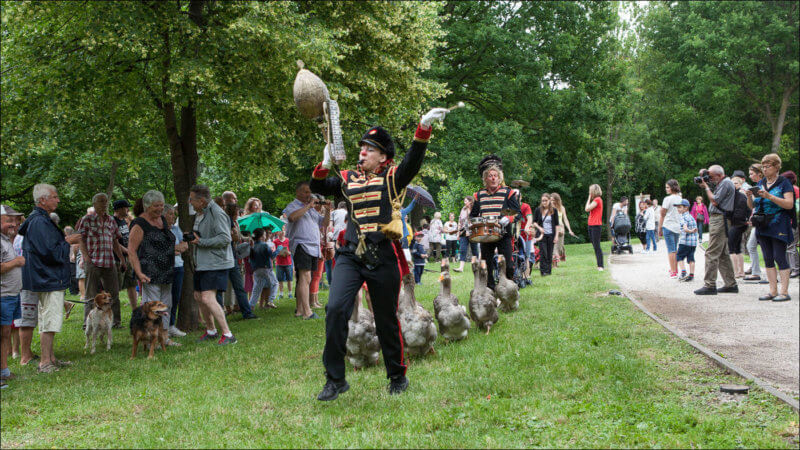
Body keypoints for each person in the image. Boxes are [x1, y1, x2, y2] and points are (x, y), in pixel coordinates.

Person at [310, 107, 450, 401]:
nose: (362, 152)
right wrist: (323, 164)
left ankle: (397, 375)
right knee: (335, 309)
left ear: (383, 156)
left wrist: (423, 129)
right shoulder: (347, 178)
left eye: (369, 149)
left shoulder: (393, 178)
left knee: (386, 318)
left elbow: (413, 162)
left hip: (383, 253)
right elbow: (318, 186)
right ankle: (335, 379)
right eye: (361, 147)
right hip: (350, 254)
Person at [18, 184, 81, 373]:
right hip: (47, 277)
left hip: (44, 276)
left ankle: (51, 358)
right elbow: (49, 252)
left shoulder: (39, 220)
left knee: (48, 320)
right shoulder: (39, 222)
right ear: (42, 200)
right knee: (50, 320)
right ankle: (45, 362)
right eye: (54, 197)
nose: (58, 200)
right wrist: (67, 242)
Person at [127, 190, 180, 346]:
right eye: (156, 206)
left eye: (161, 206)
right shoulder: (139, 224)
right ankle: (150, 340)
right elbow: (131, 250)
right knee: (152, 310)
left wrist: (178, 248)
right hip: (149, 272)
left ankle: (164, 338)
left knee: (166, 306)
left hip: (167, 271)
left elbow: (163, 245)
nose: (159, 209)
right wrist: (138, 272)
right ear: (147, 206)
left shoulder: (162, 220)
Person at [187, 184, 238, 345]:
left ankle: (228, 335)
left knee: (208, 297)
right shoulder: (201, 213)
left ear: (201, 200)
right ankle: (211, 331)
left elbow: (225, 239)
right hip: (202, 262)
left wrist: (201, 241)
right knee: (198, 297)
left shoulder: (217, 213)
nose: (190, 203)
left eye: (191, 200)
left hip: (216, 262)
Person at [747, 154, 795, 302]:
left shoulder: (784, 183)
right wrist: (749, 196)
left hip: (779, 222)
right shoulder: (761, 182)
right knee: (767, 257)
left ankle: (784, 292)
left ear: (776, 167)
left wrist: (770, 197)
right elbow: (753, 206)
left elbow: (789, 204)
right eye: (764, 166)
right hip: (763, 223)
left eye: (768, 166)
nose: (765, 169)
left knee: (779, 256)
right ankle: (772, 290)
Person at [470, 155, 522, 289]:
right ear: (485, 179)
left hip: (503, 233)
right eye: (490, 176)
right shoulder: (478, 195)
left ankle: (508, 288)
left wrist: (507, 219)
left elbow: (517, 212)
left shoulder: (508, 192)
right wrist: (472, 224)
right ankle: (491, 291)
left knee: (508, 265)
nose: (493, 178)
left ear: (500, 178)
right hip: (485, 235)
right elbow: (473, 215)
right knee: (486, 266)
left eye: (496, 176)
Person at [78, 193, 126, 327]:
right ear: (94, 203)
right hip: (93, 262)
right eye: (101, 201)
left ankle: (115, 322)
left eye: (105, 201)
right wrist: (86, 257)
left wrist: (122, 259)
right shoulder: (87, 219)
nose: (104, 204)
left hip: (109, 261)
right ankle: (87, 323)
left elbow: (116, 241)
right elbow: (80, 239)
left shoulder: (111, 220)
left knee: (114, 294)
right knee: (91, 294)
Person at [283, 182, 328, 320]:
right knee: (305, 276)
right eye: (306, 192)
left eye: (309, 192)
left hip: (313, 246)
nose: (309, 195)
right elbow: (291, 217)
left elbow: (324, 223)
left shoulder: (312, 210)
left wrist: (328, 210)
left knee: (304, 278)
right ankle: (307, 312)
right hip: (301, 244)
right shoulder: (293, 205)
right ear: (298, 193)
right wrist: (309, 206)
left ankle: (300, 310)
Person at [694, 165, 738, 295]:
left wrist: (707, 187)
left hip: (720, 219)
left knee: (711, 252)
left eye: (711, 177)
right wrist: (705, 183)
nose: (710, 179)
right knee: (723, 253)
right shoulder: (722, 183)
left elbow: (715, 201)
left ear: (719, 175)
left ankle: (709, 285)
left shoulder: (726, 183)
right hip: (720, 218)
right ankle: (731, 284)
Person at [216, 197, 257, 320]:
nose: (237, 215)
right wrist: (232, 237)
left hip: (233, 256)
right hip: (223, 257)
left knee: (239, 286)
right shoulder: (224, 221)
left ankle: (247, 312)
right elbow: (228, 238)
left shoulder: (235, 222)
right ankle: (220, 313)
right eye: (236, 213)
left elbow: (237, 237)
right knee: (220, 288)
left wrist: (246, 239)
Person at [1, 205, 25, 388]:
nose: (13, 224)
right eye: (8, 220)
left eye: (14, 220)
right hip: (3, 296)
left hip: (11, 294)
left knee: (6, 333)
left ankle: (4, 371)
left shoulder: (7, 240)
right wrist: (16, 262)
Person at [164, 204, 188, 337]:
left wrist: (174, 249)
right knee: (165, 297)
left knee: (175, 297)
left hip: (178, 266)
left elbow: (185, 246)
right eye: (171, 214)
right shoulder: (159, 229)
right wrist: (174, 249)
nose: (174, 216)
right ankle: (163, 326)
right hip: (166, 267)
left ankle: (171, 325)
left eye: (174, 214)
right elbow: (163, 250)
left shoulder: (176, 229)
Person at [112, 199, 138, 310]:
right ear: (119, 209)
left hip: (128, 257)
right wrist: (127, 251)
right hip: (118, 259)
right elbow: (114, 242)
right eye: (126, 207)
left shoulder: (123, 221)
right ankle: (113, 312)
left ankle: (135, 309)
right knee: (115, 287)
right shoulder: (113, 221)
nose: (128, 210)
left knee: (131, 284)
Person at [309, 194, 331, 309]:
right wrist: (320, 251)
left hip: (320, 247)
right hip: (315, 248)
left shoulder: (318, 215)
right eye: (316, 203)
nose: (319, 205)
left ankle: (315, 300)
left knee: (317, 276)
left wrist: (328, 210)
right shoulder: (310, 216)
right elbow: (315, 235)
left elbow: (326, 224)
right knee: (314, 276)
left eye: (320, 203)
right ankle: (312, 301)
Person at [249, 227, 278, 310]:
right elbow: (272, 256)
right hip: (266, 269)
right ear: (262, 237)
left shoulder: (252, 246)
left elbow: (250, 260)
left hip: (256, 270)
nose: (266, 236)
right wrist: (278, 250)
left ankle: (251, 305)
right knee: (274, 283)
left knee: (256, 288)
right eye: (265, 234)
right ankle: (270, 300)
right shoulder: (264, 245)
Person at [728, 176, 751, 279]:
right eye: (732, 183)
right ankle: (741, 271)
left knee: (731, 248)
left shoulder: (740, 197)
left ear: (740, 185)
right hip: (740, 224)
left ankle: (736, 272)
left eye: (736, 183)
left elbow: (742, 212)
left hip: (738, 224)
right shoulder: (735, 196)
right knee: (737, 248)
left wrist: (730, 217)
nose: (733, 185)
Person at [659, 181, 683, 278]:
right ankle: (675, 269)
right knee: (675, 249)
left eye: (668, 187)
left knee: (671, 249)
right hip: (677, 226)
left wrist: (659, 228)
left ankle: (673, 271)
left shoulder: (667, 199)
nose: (666, 189)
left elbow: (662, 214)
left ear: (672, 188)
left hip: (668, 225)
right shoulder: (680, 198)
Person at [532, 193, 559, 276]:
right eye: (543, 201)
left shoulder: (554, 211)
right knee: (543, 253)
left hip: (551, 234)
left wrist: (556, 236)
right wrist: (540, 228)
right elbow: (534, 222)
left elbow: (557, 225)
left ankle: (548, 271)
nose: (544, 202)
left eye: (546, 201)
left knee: (549, 253)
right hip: (542, 235)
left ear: (549, 201)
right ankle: (543, 271)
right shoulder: (538, 210)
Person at [780, 170, 799, 278]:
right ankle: (791, 268)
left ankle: (796, 269)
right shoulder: (793, 188)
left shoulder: (793, 189)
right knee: (789, 246)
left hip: (792, 222)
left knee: (791, 245)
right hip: (789, 222)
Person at [675, 199, 698, 281]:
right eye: (677, 207)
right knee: (691, 258)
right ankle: (691, 275)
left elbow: (685, 229)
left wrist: (690, 231)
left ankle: (683, 272)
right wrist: (693, 231)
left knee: (679, 256)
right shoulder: (691, 217)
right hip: (693, 243)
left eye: (680, 207)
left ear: (686, 208)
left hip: (684, 242)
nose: (678, 209)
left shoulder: (683, 217)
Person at [549, 193, 574, 264]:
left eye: (553, 200)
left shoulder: (562, 208)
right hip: (552, 228)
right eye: (550, 200)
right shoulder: (549, 208)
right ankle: (554, 263)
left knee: (560, 247)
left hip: (561, 229)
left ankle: (556, 259)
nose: (552, 202)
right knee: (554, 246)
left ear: (557, 200)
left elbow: (565, 219)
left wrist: (569, 230)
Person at [585, 184, 604, 271]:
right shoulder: (596, 200)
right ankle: (599, 265)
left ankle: (600, 265)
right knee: (595, 245)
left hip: (596, 225)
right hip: (591, 225)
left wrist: (589, 198)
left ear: (593, 191)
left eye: (590, 191)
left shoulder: (597, 199)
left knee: (597, 246)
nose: (589, 192)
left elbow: (587, 209)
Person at [273, 229, 293, 299]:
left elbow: (291, 250)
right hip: (279, 263)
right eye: (280, 231)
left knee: (289, 279)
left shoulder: (288, 240)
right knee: (280, 279)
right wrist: (279, 253)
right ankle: (281, 294)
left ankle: (290, 293)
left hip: (288, 262)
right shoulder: (275, 241)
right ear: (278, 233)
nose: (282, 232)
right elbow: (274, 251)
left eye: (283, 231)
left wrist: (289, 253)